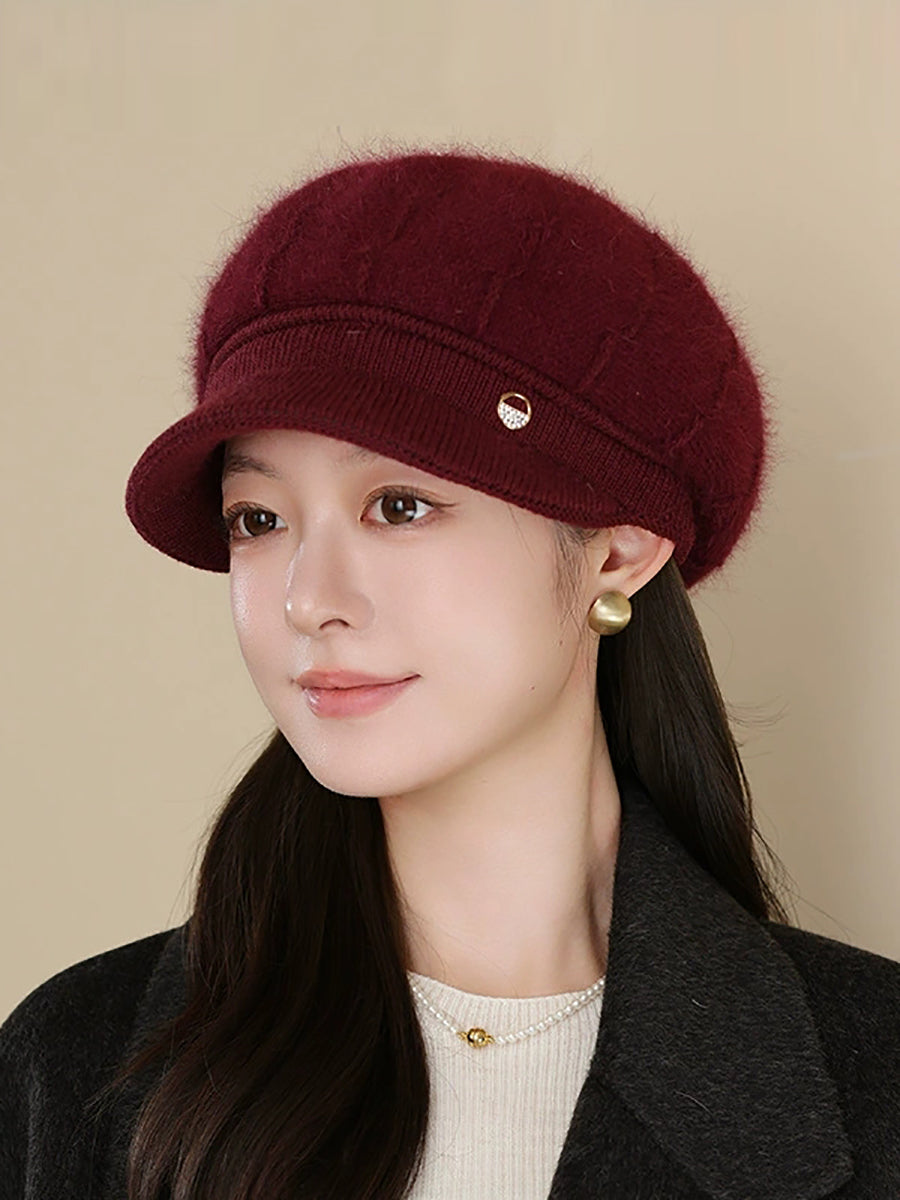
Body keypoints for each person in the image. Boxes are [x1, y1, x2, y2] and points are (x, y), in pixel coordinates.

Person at [1, 148, 898, 1200]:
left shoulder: (874, 1078)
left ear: (618, 550)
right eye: (258, 518)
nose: (307, 598)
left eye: (398, 506)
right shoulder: (76, 1065)